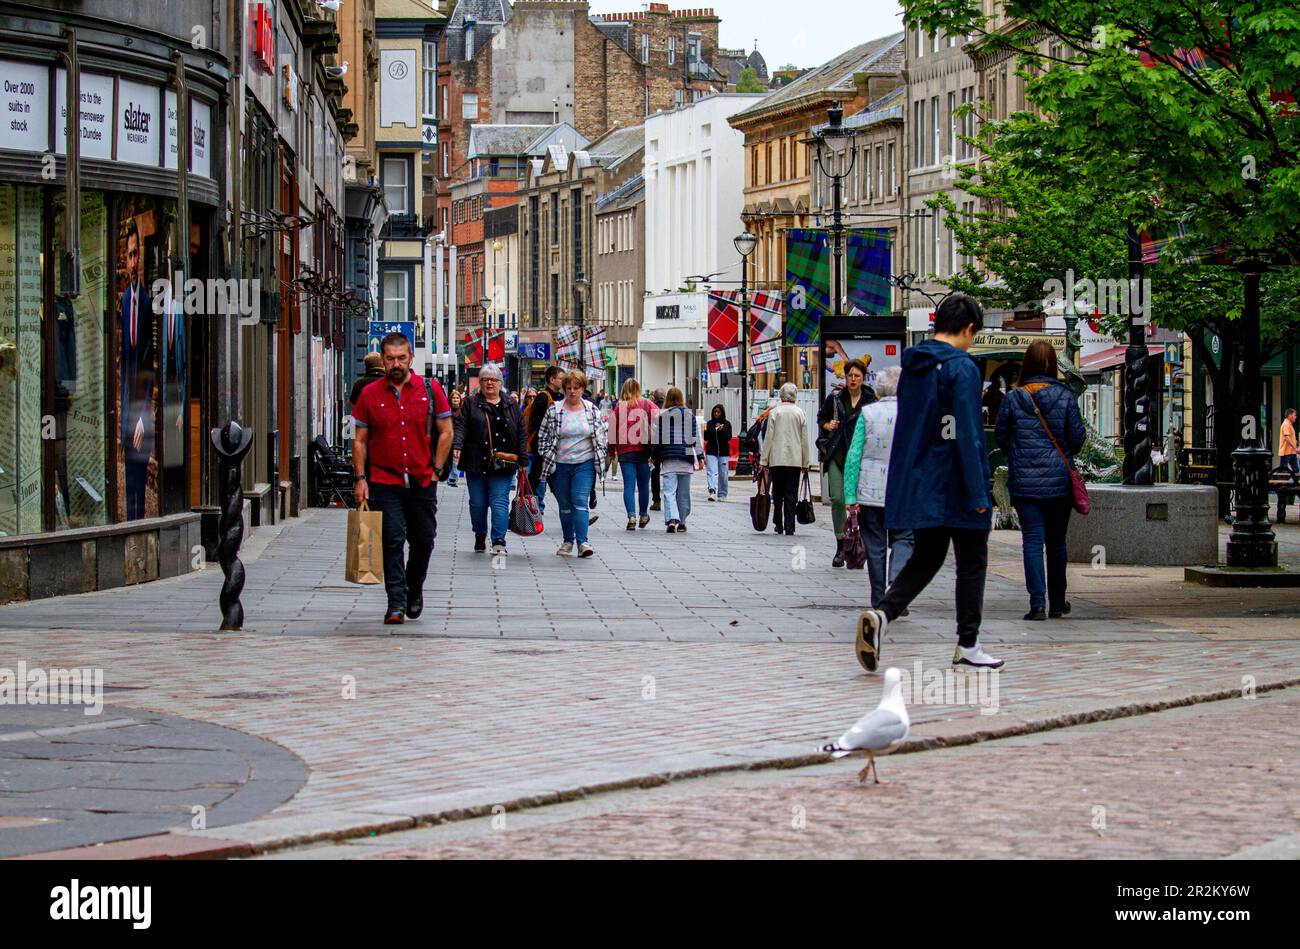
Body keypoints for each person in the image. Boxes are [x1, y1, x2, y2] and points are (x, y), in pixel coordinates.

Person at [855, 293, 1005, 673]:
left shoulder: (914, 367)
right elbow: (967, 432)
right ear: (969, 329)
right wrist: (978, 490)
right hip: (955, 480)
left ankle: (884, 615)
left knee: (927, 556)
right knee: (972, 561)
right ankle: (968, 643)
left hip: (919, 479)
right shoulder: (962, 368)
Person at [352, 332, 453, 625]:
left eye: (401, 358)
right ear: (382, 360)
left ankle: (414, 587)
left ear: (410, 357)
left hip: (422, 479)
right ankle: (395, 602)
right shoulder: (370, 394)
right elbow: (360, 439)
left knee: (424, 541)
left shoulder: (430, 389)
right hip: (385, 480)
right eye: (390, 358)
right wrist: (361, 477)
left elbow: (446, 430)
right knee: (393, 540)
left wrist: (436, 468)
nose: (396, 364)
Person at [995, 340, 1087, 621]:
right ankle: (1058, 601)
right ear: (1052, 365)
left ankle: (1037, 603)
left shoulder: (1014, 397)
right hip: (1059, 481)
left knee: (1032, 541)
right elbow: (1078, 438)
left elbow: (1001, 437)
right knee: (1057, 542)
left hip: (1025, 482)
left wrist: (1018, 455)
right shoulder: (1065, 396)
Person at [843, 366, 914, 607]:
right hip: (903, 491)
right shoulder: (913, 413)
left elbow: (854, 455)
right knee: (905, 538)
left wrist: (850, 494)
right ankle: (897, 581)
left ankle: (878, 596)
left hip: (870, 490)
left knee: (874, 545)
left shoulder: (868, 413)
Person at [453, 364, 525, 556]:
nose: (489, 383)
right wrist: (457, 446)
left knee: (499, 502)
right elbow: (460, 426)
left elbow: (521, 431)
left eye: (493, 380)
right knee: (477, 503)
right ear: (480, 383)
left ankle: (498, 541)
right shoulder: (471, 403)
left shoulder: (511, 405)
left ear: (500, 383)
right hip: (475, 460)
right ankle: (479, 533)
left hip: (503, 462)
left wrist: (523, 458)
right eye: (485, 379)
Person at [538, 370, 608, 557]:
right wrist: (546, 455)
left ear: (583, 388)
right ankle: (568, 540)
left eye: (576, 388)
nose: (572, 391)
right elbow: (542, 436)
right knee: (565, 504)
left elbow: (602, 434)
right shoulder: (555, 410)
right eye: (568, 388)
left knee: (579, 501)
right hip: (559, 464)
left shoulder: (592, 410)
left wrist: (600, 455)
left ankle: (583, 542)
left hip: (584, 463)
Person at [818, 359, 877, 566]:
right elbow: (821, 419)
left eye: (857, 376)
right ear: (845, 376)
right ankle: (841, 544)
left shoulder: (870, 401)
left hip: (861, 457)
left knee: (859, 503)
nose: (853, 379)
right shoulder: (835, 398)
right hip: (837, 453)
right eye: (850, 375)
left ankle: (857, 542)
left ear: (863, 378)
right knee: (837, 499)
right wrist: (828, 424)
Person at [761, 383, 810, 536]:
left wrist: (764, 459)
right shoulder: (800, 413)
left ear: (781, 395)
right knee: (791, 493)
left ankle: (778, 523)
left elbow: (769, 438)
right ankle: (790, 525)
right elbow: (804, 440)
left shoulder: (775, 413)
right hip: (794, 459)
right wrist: (805, 462)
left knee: (777, 492)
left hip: (777, 458)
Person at [608, 378, 658, 530]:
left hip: (625, 451)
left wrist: (611, 450)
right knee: (643, 485)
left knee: (629, 486)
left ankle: (631, 516)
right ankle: (643, 515)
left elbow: (612, 430)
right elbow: (660, 417)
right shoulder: (646, 404)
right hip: (644, 450)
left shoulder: (619, 407)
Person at [653, 387, 701, 533]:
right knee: (684, 493)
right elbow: (695, 438)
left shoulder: (663, 416)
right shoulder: (689, 415)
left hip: (668, 458)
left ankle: (672, 520)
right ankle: (682, 521)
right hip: (685, 458)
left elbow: (658, 439)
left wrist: (654, 455)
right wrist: (700, 456)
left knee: (669, 491)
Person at [526, 366, 565, 514]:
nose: (563, 381)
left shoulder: (559, 397)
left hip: (550, 449)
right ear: (552, 379)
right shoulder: (543, 397)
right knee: (534, 482)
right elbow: (536, 425)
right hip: (541, 450)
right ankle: (518, 514)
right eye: (560, 378)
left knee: (548, 483)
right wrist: (539, 448)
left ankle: (574, 514)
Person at [704, 404, 733, 502]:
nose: (716, 414)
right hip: (711, 450)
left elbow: (728, 437)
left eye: (718, 412)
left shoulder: (727, 424)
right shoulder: (709, 423)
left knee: (723, 473)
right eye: (715, 412)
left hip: (723, 451)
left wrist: (722, 430)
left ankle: (722, 493)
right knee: (711, 472)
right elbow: (706, 437)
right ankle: (712, 490)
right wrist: (711, 429)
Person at [649, 388, 666, 511]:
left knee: (655, 474)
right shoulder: (668, 410)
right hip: (668, 448)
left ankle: (656, 500)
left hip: (655, 447)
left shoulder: (652, 410)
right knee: (669, 474)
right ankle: (670, 498)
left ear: (654, 398)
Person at [446, 389, 464, 487]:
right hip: (448, 437)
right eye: (454, 398)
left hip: (458, 438)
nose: (456, 400)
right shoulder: (447, 409)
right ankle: (449, 476)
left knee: (456, 458)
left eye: (457, 398)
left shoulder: (463, 410)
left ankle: (453, 478)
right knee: (448, 459)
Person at [1280, 408, 1298, 481]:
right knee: (1283, 471)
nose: (1296, 417)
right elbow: (1287, 438)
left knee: (1296, 470)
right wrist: (1295, 448)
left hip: (1291, 452)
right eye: (1295, 415)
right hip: (1286, 452)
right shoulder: (1286, 424)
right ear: (1290, 415)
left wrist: (1297, 444)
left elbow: (1291, 437)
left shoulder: (1290, 425)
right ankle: (1279, 488)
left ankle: (1295, 487)